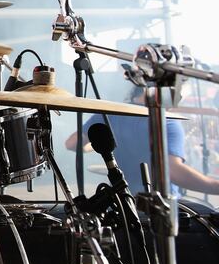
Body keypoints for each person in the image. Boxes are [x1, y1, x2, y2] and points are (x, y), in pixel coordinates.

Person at [65, 84, 219, 196]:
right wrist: (214, 186)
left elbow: (72, 143)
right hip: (161, 206)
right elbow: (173, 171)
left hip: (123, 205)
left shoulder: (109, 114)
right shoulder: (167, 122)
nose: (178, 98)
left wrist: (101, 146)